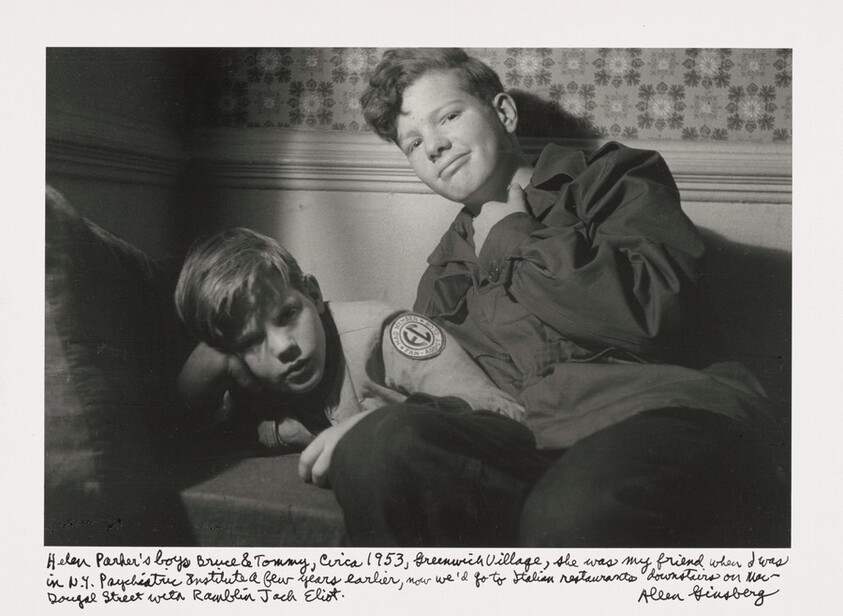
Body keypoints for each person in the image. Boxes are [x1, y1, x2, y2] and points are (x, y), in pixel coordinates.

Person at [327, 47, 788, 547]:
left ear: (503, 113)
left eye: (449, 117)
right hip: (535, 438)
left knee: (569, 512)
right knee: (374, 449)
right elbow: (468, 396)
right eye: (413, 143)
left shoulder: (612, 180)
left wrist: (513, 234)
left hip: (663, 411)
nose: (434, 146)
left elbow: (651, 316)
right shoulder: (444, 273)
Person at [173, 227, 530, 504]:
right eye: (252, 341)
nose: (284, 347)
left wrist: (382, 425)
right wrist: (193, 385)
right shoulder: (249, 375)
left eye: (288, 315)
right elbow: (191, 443)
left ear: (313, 295)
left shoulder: (385, 336)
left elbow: (505, 412)